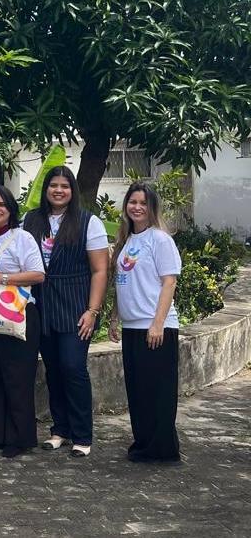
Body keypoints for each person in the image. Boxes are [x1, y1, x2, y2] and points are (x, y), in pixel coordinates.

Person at [22, 167, 108, 457]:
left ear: (73, 190)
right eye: (53, 185)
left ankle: (82, 435)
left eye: (65, 186)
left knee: (73, 367)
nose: (58, 190)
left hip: (75, 304)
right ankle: (60, 430)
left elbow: (99, 270)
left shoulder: (88, 222)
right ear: (46, 188)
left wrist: (92, 310)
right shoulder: (30, 220)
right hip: (41, 305)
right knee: (53, 369)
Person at [109, 182, 182, 463]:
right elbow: (122, 282)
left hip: (156, 327)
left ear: (152, 208)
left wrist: (157, 323)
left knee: (158, 392)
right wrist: (115, 317)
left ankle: (162, 450)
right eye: (132, 202)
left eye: (143, 203)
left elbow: (169, 282)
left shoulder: (160, 240)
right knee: (138, 391)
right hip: (132, 327)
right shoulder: (127, 241)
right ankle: (143, 444)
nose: (137, 207)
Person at [0, 185, 46, 458]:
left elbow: (38, 275)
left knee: (17, 379)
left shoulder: (22, 238)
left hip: (18, 315)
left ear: (10, 208)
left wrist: (0, 278)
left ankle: (20, 438)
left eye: (1, 204)